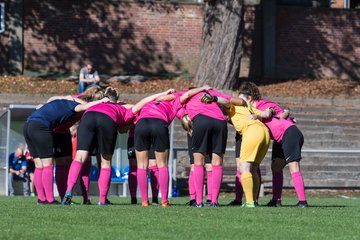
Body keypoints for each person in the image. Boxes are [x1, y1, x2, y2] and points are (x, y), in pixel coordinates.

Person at [63, 87, 176, 206]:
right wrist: (163, 93)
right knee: (105, 162)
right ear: (117, 99)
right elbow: (142, 103)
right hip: (107, 119)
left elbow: (72, 99)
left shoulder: (94, 104)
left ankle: (68, 191)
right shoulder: (122, 109)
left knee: (79, 157)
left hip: (88, 117)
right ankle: (102, 200)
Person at [23, 95, 109, 204]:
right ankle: (50, 200)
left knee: (39, 165)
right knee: (48, 165)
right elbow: (85, 106)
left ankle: (41, 198)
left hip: (27, 125)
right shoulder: (71, 106)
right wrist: (101, 101)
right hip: (41, 127)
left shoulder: (57, 102)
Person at [238, 82, 308, 208]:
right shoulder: (249, 110)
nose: (239, 102)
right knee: (276, 167)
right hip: (279, 138)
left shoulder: (262, 105)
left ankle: (302, 202)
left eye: (241, 99)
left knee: (293, 166)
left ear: (249, 98)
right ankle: (276, 200)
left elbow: (280, 112)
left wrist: (258, 115)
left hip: (289, 133)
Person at [201, 91, 272, 207]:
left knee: (244, 168)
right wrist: (271, 110)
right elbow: (267, 114)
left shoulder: (233, 105)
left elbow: (226, 101)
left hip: (252, 131)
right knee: (253, 169)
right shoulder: (247, 107)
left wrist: (213, 98)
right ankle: (253, 200)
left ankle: (249, 202)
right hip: (264, 132)